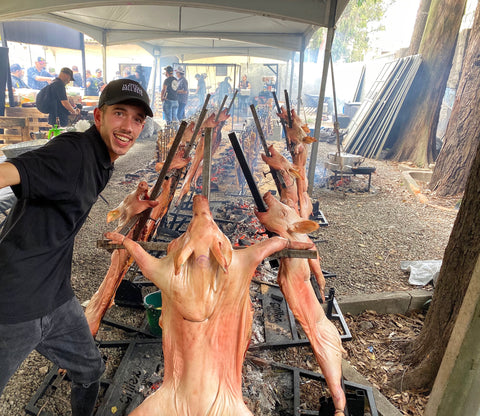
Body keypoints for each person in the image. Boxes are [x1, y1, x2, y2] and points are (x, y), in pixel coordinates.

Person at [0, 78, 153, 416]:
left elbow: (73, 204)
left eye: (138, 119)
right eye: (120, 114)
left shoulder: (103, 159)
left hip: (56, 299)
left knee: (89, 370)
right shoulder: (71, 151)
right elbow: (8, 172)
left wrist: (130, 208)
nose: (128, 126)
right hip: (13, 305)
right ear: (99, 116)